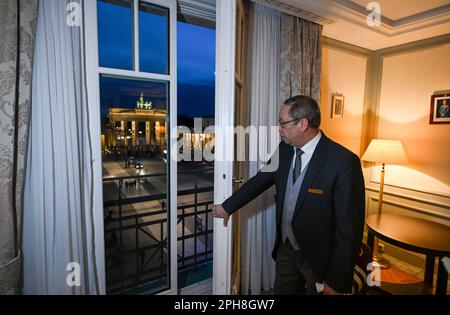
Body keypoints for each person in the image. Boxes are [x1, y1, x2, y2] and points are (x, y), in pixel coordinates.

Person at [212, 95, 365, 295]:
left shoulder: (343, 162)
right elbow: (260, 180)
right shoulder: (285, 150)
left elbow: (349, 230)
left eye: (282, 123)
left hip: (319, 259)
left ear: (302, 124)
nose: (279, 129)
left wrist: (335, 282)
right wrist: (227, 207)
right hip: (286, 248)